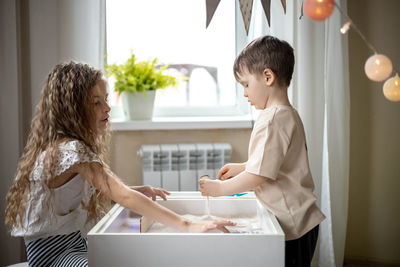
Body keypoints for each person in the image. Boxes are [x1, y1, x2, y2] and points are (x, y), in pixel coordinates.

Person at [5, 61, 234, 267]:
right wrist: (187, 224)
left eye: (105, 99)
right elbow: (121, 195)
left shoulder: (66, 147)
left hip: (73, 244)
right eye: (96, 103)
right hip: (51, 255)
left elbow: (99, 194)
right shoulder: (70, 151)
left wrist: (138, 191)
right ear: (73, 110)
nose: (107, 108)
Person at [199, 35, 326, 267]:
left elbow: (261, 174)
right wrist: (242, 167)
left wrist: (220, 189)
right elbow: (276, 161)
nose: (245, 93)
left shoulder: (273, 119)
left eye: (246, 84)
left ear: (268, 77)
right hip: (300, 219)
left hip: (292, 224)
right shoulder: (287, 113)